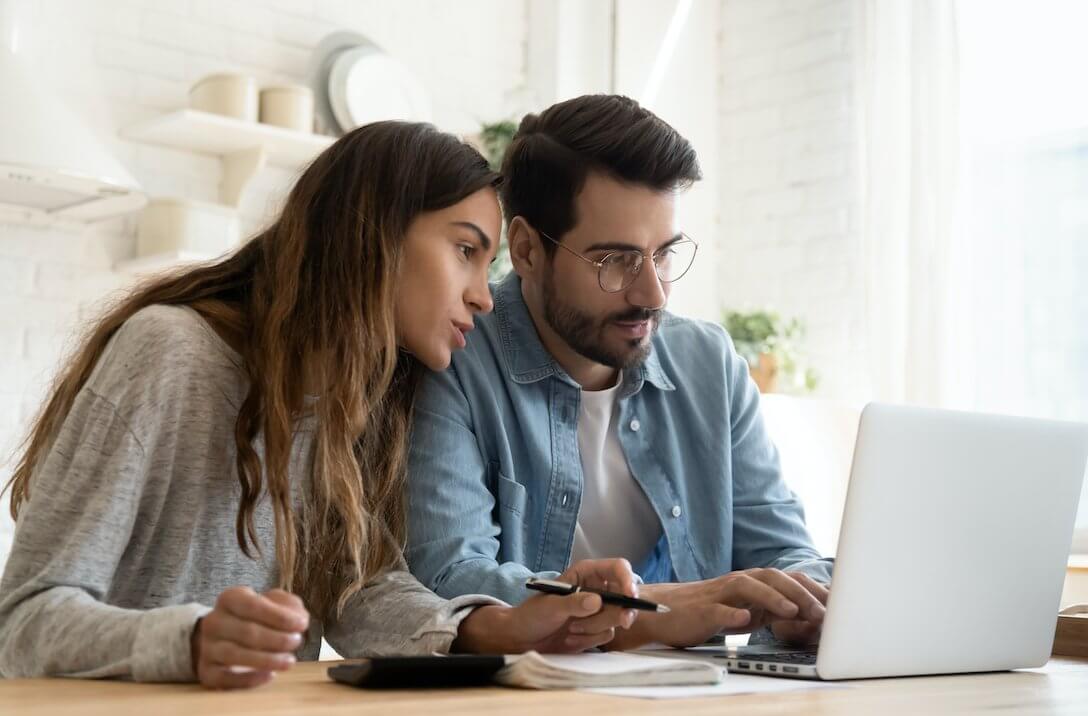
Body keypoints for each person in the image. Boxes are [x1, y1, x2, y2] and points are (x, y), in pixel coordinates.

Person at [0, 121, 640, 689]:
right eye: (465, 250)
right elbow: (23, 620)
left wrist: (491, 627)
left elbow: (358, 591)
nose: (483, 295)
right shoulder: (171, 351)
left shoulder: (365, 399)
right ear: (374, 234)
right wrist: (188, 642)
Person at [405, 95, 832, 651]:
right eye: (616, 261)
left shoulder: (709, 365)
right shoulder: (451, 359)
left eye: (665, 254)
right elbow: (449, 578)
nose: (652, 293)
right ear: (529, 250)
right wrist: (652, 614)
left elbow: (783, 549)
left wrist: (804, 604)